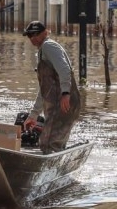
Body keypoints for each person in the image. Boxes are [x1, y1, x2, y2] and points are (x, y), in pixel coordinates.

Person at [22, 21, 82, 153]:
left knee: (49, 143)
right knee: (53, 143)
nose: (33, 38)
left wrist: (65, 93)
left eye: (36, 35)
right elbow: (44, 90)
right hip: (58, 105)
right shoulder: (43, 51)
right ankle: (58, 165)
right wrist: (34, 115)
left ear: (45, 33)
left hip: (62, 104)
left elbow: (65, 70)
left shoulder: (49, 46)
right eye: (30, 36)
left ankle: (49, 170)